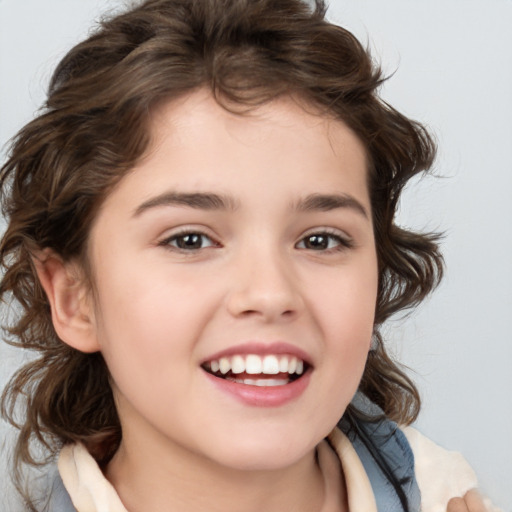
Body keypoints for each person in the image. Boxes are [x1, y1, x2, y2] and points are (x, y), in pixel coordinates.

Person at [0, 0, 501, 511]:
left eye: (320, 239)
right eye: (189, 239)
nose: (270, 293)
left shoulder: (449, 494)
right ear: (73, 298)